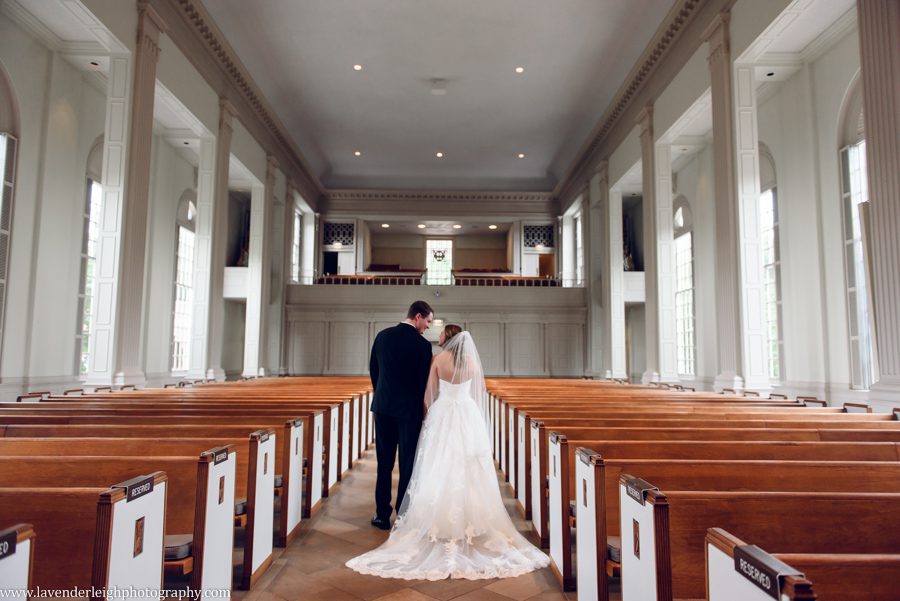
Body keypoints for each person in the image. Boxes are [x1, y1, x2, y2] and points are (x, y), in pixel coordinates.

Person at [347, 325, 549, 580]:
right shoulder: (473, 366)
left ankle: (428, 518)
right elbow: (477, 395)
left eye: (442, 334)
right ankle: (471, 521)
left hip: (443, 413)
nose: (437, 335)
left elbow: (428, 394)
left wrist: (428, 415)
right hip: (467, 415)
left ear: (448, 339)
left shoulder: (438, 359)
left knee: (437, 464)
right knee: (468, 467)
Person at [368, 300, 435, 530]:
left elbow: (374, 370)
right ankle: (403, 515)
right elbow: (422, 382)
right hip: (409, 411)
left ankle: (381, 515)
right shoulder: (423, 346)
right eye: (427, 321)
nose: (428, 327)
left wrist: (383, 394)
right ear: (417, 316)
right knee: (407, 462)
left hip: (384, 407)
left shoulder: (382, 336)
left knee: (384, 463)